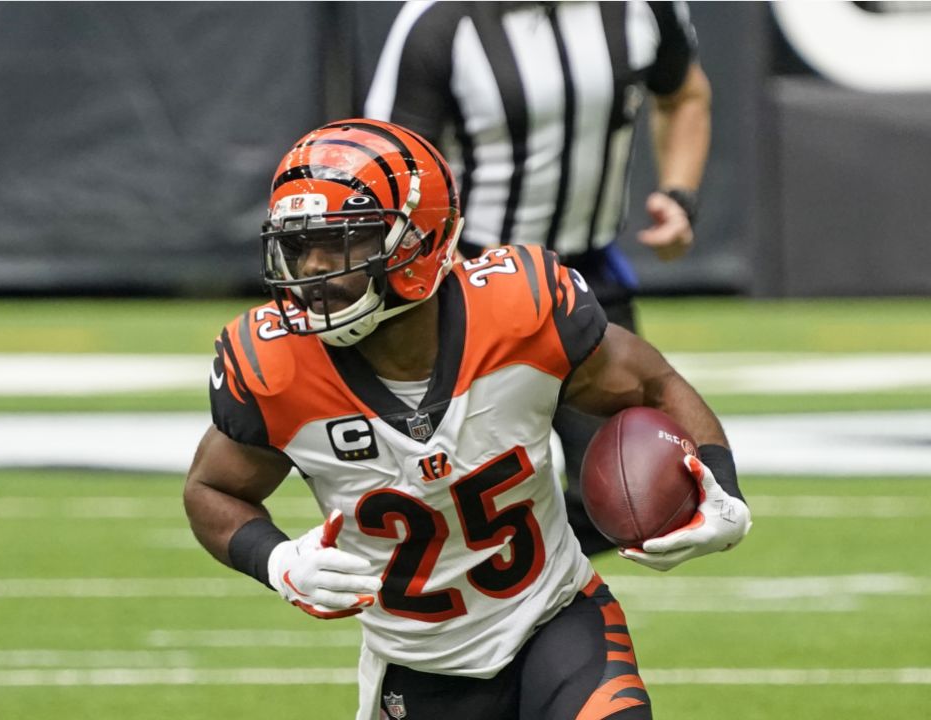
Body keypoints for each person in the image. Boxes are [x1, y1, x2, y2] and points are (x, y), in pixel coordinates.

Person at [183, 119, 749, 720]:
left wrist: (722, 489)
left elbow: (653, 383)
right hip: (418, 669)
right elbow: (212, 488)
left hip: (555, 619)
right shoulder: (276, 369)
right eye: (298, 247)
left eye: (340, 243)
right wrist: (275, 560)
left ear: (417, 242)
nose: (312, 272)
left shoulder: (519, 314)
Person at [363, 0, 713, 556]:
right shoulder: (440, 21)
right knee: (444, 500)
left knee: (637, 492)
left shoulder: (641, 9)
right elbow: (389, 167)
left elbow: (685, 93)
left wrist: (679, 194)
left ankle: (531, 591)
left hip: (585, 279)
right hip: (466, 285)